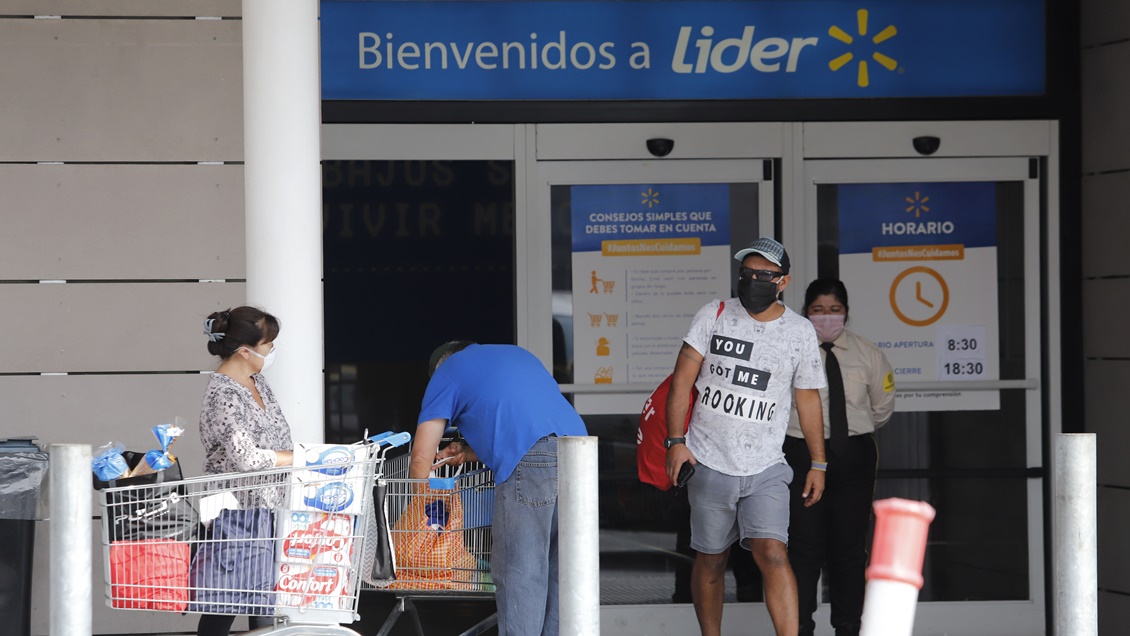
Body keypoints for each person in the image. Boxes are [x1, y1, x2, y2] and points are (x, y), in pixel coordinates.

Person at [665, 237, 828, 636]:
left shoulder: (800, 331)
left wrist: (819, 463)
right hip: (708, 459)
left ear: (783, 281)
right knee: (711, 558)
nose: (753, 280)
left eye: (764, 275)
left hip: (767, 465)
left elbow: (808, 401)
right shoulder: (714, 315)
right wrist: (675, 442)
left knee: (773, 552)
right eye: (747, 273)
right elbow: (681, 382)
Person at [409, 342, 588, 636]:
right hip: (581, 455)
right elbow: (530, 422)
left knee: (521, 572)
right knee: (561, 572)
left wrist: (419, 514)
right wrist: (468, 452)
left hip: (533, 461)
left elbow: (420, 457)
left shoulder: (447, 372)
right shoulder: (518, 355)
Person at [785, 279, 895, 636]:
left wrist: (846, 435)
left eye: (835, 310)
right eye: (818, 310)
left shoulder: (867, 354)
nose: (826, 317)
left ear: (846, 312)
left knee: (849, 548)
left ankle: (848, 625)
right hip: (801, 454)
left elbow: (882, 408)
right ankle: (800, 625)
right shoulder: (790, 352)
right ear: (805, 313)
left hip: (852, 456)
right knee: (803, 547)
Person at [197, 306, 294, 636]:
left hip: (266, 510)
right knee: (225, 603)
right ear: (244, 351)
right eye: (268, 344)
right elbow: (247, 457)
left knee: (262, 602)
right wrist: (298, 457)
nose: (273, 350)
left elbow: (278, 438)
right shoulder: (223, 394)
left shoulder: (258, 382)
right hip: (233, 513)